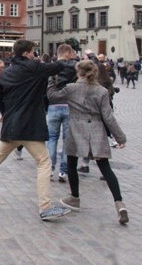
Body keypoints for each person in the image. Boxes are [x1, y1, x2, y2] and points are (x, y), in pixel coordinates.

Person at [0, 40, 71, 221]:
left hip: (11, 125)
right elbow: (57, 67)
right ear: (26, 53)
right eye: (33, 52)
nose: (34, 54)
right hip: (30, 125)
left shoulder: (7, 72)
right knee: (44, 162)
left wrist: (5, 113)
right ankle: (45, 207)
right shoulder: (34, 67)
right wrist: (64, 58)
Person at [47, 60, 129, 224]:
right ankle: (119, 204)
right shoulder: (102, 91)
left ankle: (75, 197)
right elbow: (108, 117)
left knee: (71, 164)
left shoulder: (71, 88)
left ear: (79, 73)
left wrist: (51, 80)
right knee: (105, 168)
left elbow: (52, 97)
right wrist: (120, 137)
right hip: (96, 130)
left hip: (76, 129)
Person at [46, 44, 78, 183]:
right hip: (69, 104)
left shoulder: (52, 67)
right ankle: (63, 171)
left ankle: (50, 169)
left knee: (52, 138)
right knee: (67, 139)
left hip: (53, 104)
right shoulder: (75, 67)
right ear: (67, 54)